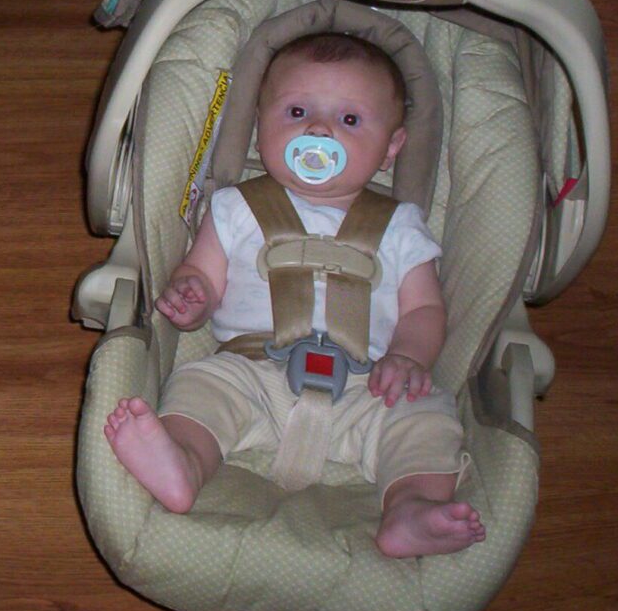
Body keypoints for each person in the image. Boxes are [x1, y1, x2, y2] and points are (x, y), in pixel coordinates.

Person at [104, 33, 485, 558]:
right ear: (262, 124)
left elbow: (424, 308)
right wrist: (193, 295)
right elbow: (204, 274)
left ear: (391, 148)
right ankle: (184, 462)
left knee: (426, 421)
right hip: (254, 368)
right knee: (200, 387)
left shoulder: (400, 226)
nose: (319, 130)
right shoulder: (235, 207)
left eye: (349, 121)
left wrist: (407, 356)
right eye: (298, 110)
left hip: (368, 387)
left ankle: (411, 506)